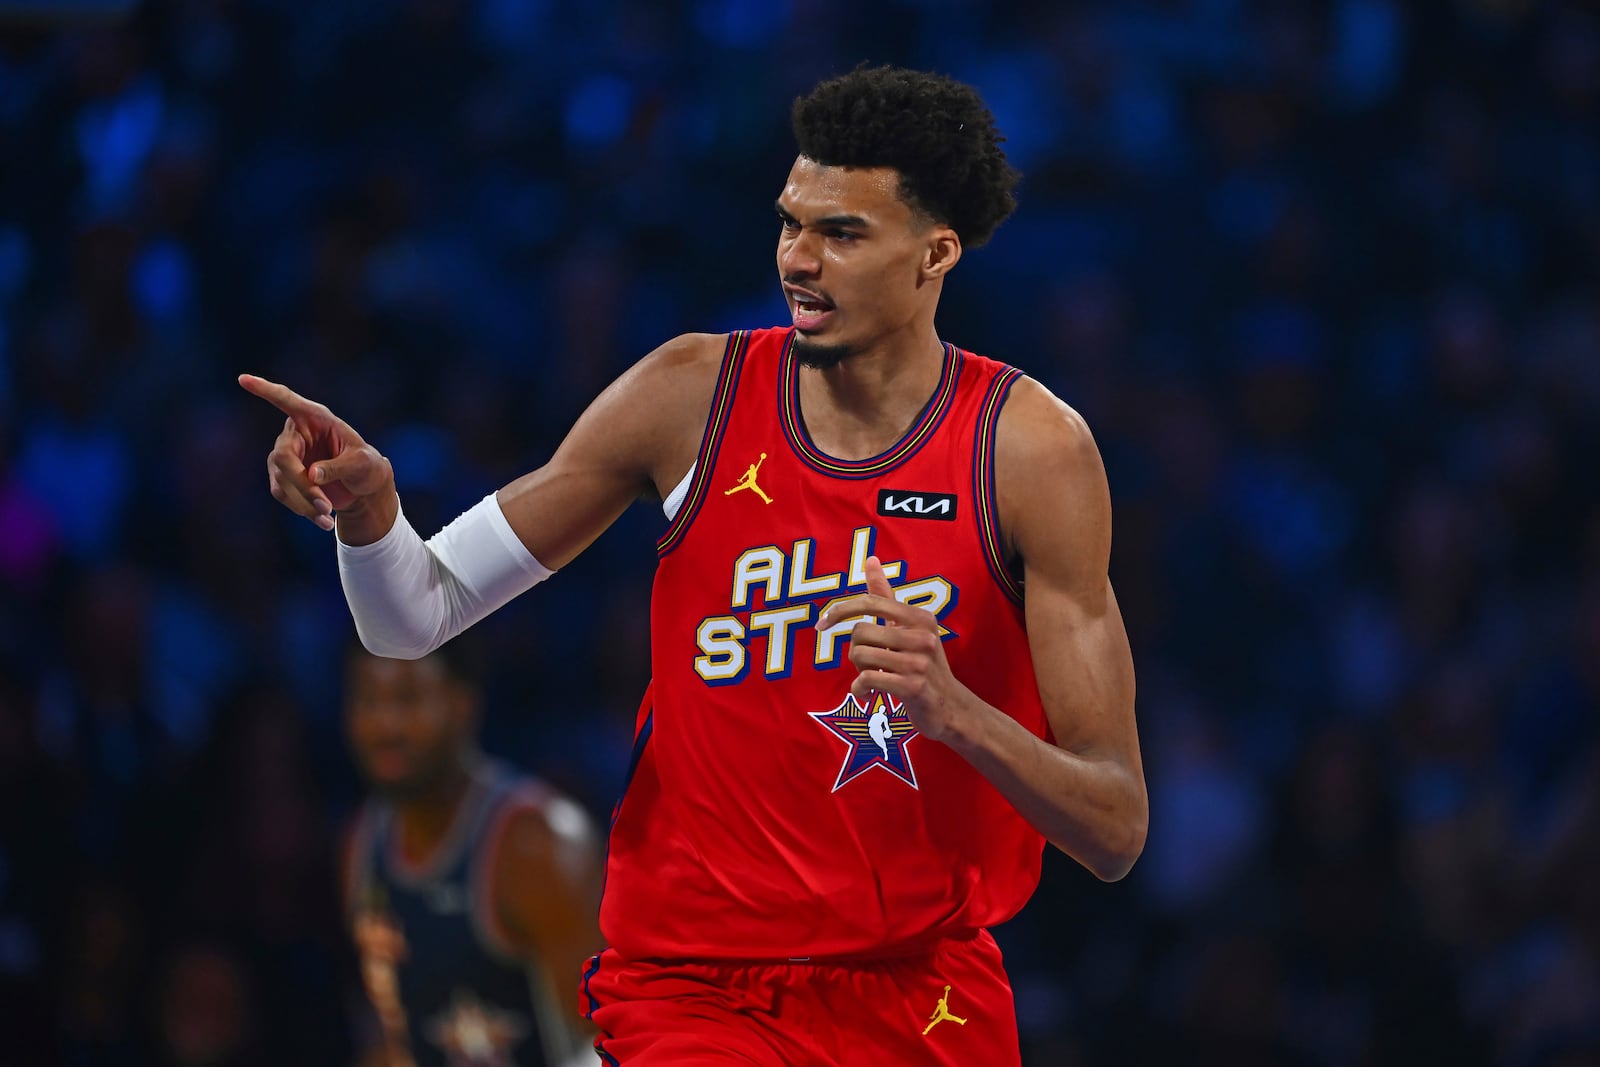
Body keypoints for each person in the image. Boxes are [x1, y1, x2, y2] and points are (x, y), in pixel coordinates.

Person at [244, 64, 1148, 1066]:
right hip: (693, 989)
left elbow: (1113, 824)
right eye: (789, 223)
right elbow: (414, 615)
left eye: (840, 233)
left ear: (936, 251)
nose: (797, 260)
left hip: (923, 989)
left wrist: (956, 710)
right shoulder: (688, 396)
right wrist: (371, 525)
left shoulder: (1029, 452)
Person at [341, 640, 602, 1067]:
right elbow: (396, 1037)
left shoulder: (539, 843)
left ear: (462, 704)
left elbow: (619, 1039)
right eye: (368, 700)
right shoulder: (360, 845)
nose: (385, 724)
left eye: (407, 699)